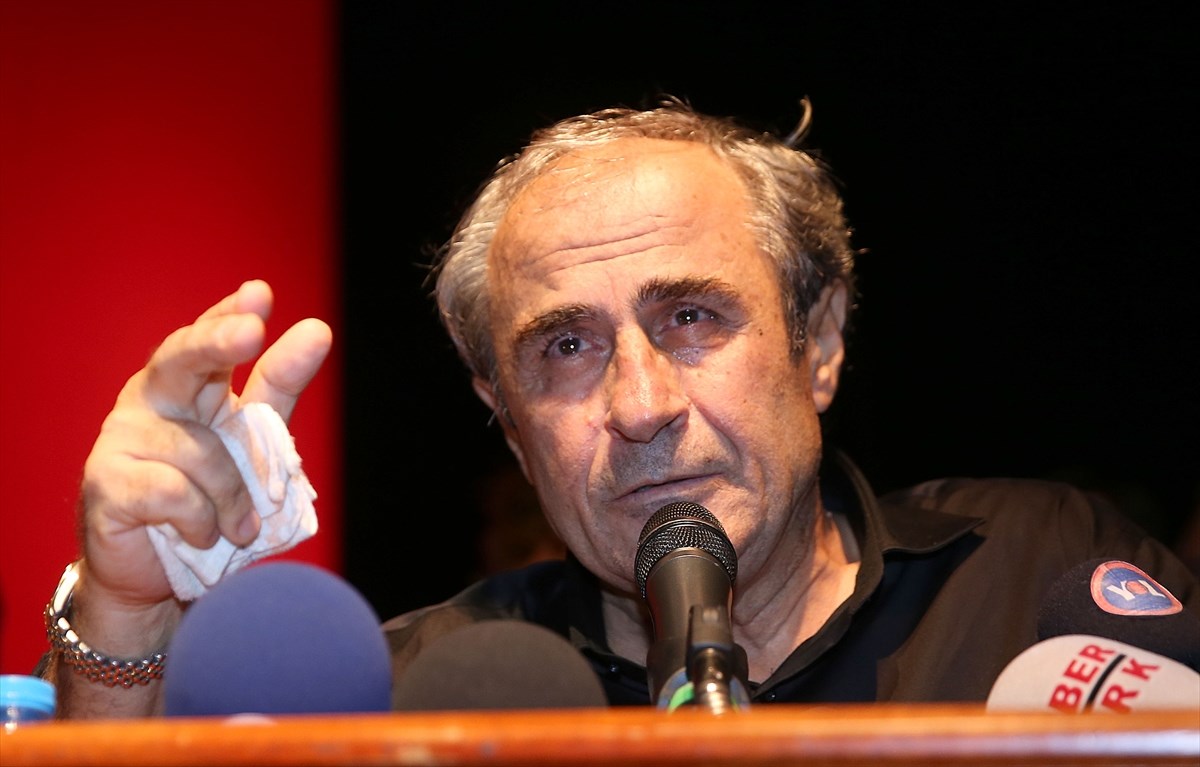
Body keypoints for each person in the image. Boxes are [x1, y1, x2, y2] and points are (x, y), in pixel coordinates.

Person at [41, 98, 1198, 716]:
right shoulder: (421, 694)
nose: (641, 404)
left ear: (819, 342)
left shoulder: (1035, 576)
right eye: (567, 345)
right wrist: (125, 614)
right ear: (505, 414)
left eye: (691, 316)